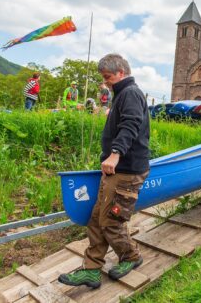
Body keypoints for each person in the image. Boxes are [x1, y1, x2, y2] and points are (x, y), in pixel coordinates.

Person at [58, 53, 150, 289]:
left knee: (111, 222)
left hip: (126, 171)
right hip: (114, 171)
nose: (105, 82)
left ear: (120, 72)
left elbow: (131, 124)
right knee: (97, 219)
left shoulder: (130, 93)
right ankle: (91, 270)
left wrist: (115, 153)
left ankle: (131, 256)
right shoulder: (121, 94)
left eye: (107, 77)